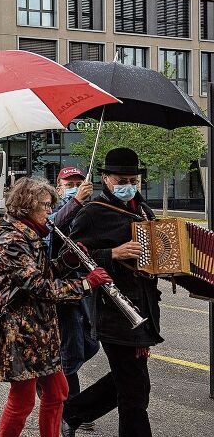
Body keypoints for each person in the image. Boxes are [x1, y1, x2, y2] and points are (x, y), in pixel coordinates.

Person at [0, 178, 112, 437]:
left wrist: (66, 261)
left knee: (57, 392)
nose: (49, 211)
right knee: (22, 399)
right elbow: (39, 286)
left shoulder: (31, 234)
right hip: (21, 331)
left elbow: (44, 273)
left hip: (40, 331)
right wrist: (86, 285)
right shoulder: (12, 239)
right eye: (45, 206)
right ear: (27, 206)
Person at [62, 148, 161, 437]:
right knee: (135, 390)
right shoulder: (93, 212)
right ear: (105, 178)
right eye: (121, 179)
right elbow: (72, 257)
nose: (128, 184)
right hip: (113, 310)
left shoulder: (144, 210)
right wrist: (111, 254)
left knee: (129, 380)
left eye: (133, 179)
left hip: (144, 308)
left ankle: (73, 411)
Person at [47, 167, 97, 432]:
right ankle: (70, 408)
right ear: (59, 187)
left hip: (85, 289)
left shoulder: (89, 210)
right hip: (63, 291)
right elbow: (52, 226)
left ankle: (67, 401)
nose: (75, 186)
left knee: (90, 344)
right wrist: (76, 201)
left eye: (79, 182)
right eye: (70, 183)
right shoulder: (52, 208)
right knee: (70, 351)